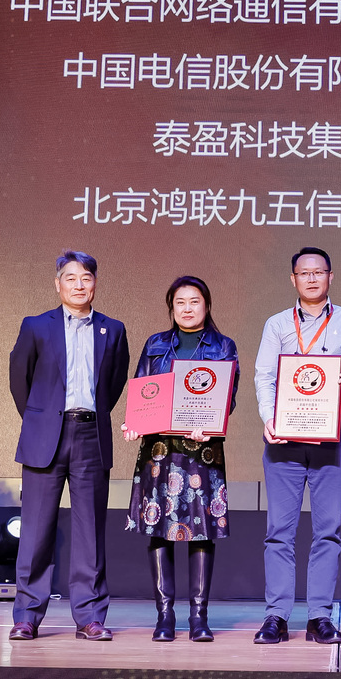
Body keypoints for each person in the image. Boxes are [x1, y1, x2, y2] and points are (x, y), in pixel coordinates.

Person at [6, 251, 131, 641]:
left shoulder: (113, 330)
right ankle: (27, 616)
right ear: (57, 284)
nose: (79, 285)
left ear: (95, 284)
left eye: (86, 278)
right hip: (45, 437)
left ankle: (90, 616)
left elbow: (113, 383)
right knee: (35, 531)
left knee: (89, 531)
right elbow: (20, 380)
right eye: (71, 278)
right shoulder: (35, 326)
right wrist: (42, 418)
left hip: (91, 435)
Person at [252, 247, 341, 645]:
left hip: (331, 432)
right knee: (279, 532)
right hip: (285, 436)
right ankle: (276, 616)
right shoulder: (276, 324)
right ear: (293, 279)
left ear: (330, 276)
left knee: (328, 531)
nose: (311, 278)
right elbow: (265, 376)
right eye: (303, 273)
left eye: (318, 272)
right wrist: (269, 418)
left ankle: (319, 616)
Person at [121, 275, 239, 643]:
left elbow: (228, 397)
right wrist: (134, 422)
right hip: (160, 451)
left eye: (194, 301)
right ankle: (165, 617)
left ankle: (199, 618)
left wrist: (211, 424)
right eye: (180, 303)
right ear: (171, 308)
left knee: (201, 532)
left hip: (202, 450)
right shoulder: (155, 344)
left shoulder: (223, 346)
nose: (187, 309)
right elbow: (142, 389)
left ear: (207, 305)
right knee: (160, 529)